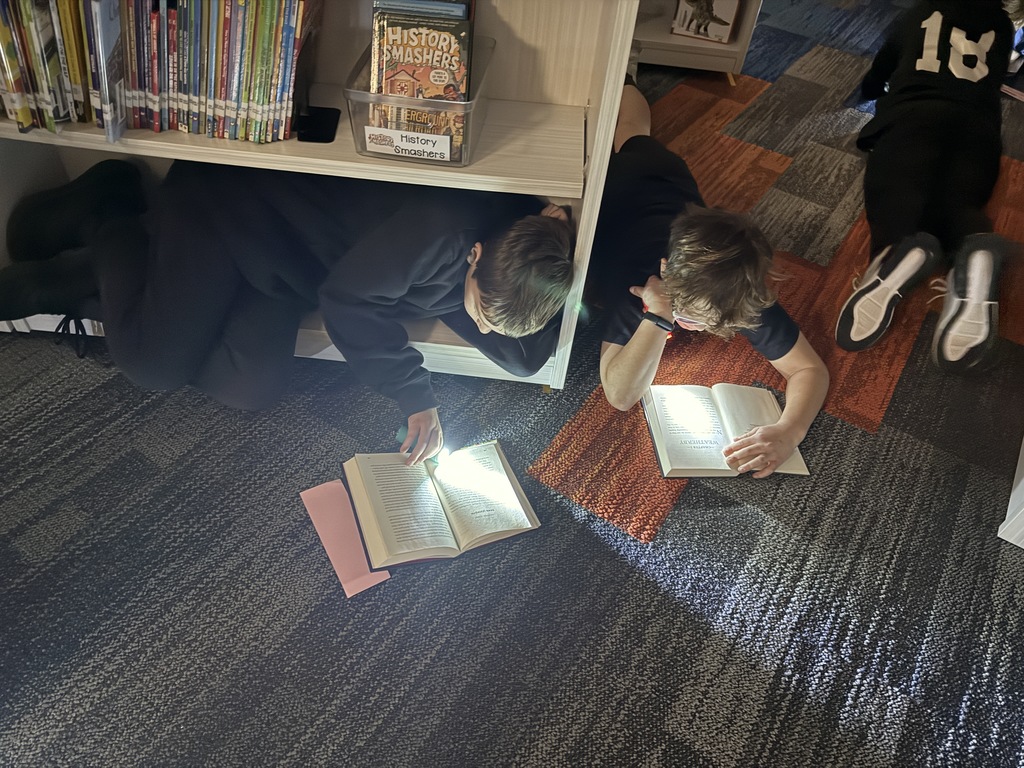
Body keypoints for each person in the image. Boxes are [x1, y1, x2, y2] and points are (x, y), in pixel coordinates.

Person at [0, 159, 574, 464]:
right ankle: (112, 225)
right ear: (473, 257)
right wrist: (415, 395)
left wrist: (562, 236)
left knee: (252, 385)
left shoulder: (510, 263)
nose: (478, 327)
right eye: (478, 310)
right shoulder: (442, 232)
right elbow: (349, 302)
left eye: (488, 325)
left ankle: (151, 277)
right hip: (231, 214)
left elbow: (524, 353)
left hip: (289, 266)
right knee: (152, 365)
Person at [587, 82, 830, 479]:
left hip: (672, 181)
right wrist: (660, 315)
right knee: (626, 134)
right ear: (665, 274)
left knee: (642, 140)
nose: (694, 327)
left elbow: (810, 371)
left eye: (711, 323)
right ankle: (624, 78)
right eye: (687, 313)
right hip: (620, 187)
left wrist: (789, 430)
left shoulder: (739, 291)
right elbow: (620, 394)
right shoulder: (638, 282)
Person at [834, 0, 1015, 372]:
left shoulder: (918, 12)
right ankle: (973, 248)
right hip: (976, 128)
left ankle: (894, 252)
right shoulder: (1001, 23)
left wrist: (866, 92)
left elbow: (882, 66)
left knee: (896, 193)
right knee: (959, 203)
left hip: (912, 117)